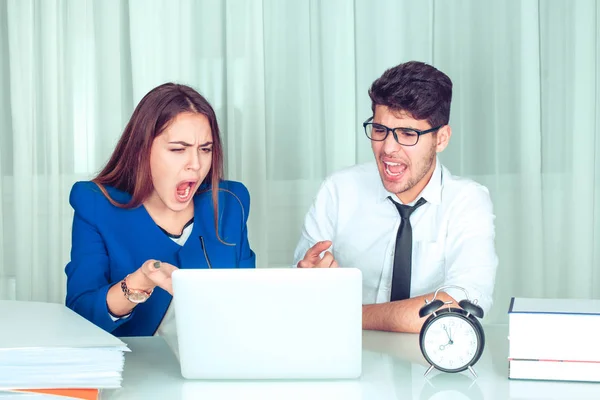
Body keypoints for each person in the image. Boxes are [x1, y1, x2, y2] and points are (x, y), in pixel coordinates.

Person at [293, 61, 498, 333]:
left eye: (407, 134)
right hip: (346, 352)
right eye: (380, 130)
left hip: (431, 360)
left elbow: (461, 307)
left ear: (441, 139)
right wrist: (304, 279)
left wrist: (344, 312)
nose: (388, 148)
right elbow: (301, 295)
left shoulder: (467, 202)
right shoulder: (339, 190)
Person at [65, 83, 255, 339]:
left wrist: (304, 282)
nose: (196, 165)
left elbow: (250, 304)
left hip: (217, 367)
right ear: (142, 150)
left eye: (205, 149)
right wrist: (137, 283)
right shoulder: (96, 204)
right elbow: (81, 318)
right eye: (178, 149)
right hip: (134, 372)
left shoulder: (231, 202)